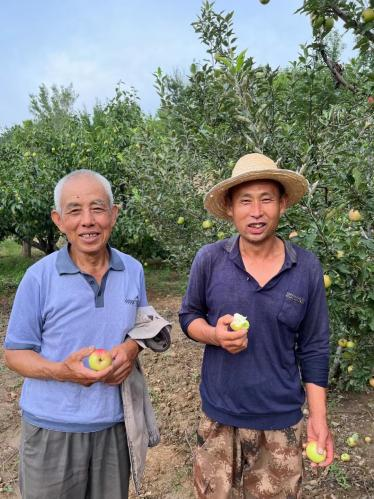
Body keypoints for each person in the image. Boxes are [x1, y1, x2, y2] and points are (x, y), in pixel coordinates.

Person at [4, 169, 169, 499]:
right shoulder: (38, 278)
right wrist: (61, 371)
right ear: (59, 220)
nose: (88, 221)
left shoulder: (132, 270)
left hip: (113, 425)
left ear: (114, 214)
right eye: (75, 210)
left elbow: (142, 323)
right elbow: (14, 354)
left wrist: (131, 350)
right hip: (53, 428)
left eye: (98, 208)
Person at [179, 153, 334, 498]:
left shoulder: (306, 268)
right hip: (219, 417)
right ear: (231, 208)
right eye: (245, 201)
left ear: (282, 204)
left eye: (266, 199)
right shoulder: (210, 260)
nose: (256, 211)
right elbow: (188, 317)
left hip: (279, 423)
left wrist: (318, 419)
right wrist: (215, 336)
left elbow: (314, 347)